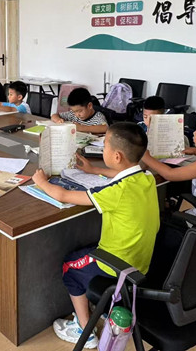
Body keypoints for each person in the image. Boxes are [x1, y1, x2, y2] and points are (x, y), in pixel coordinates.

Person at [32, 122, 159, 347]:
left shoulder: (115, 192)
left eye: (105, 146)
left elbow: (63, 195)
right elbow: (120, 174)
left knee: (70, 266)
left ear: (117, 156)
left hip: (117, 265)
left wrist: (41, 182)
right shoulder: (147, 177)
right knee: (86, 249)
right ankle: (99, 307)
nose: (103, 150)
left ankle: (84, 330)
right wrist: (94, 170)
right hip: (141, 261)